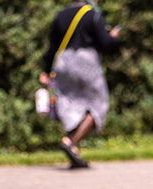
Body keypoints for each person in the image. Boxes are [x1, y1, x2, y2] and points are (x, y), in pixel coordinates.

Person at [40, 0, 120, 169]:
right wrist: (113, 36)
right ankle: (71, 141)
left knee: (71, 104)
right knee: (99, 105)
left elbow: (52, 46)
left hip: (63, 63)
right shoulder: (92, 14)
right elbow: (105, 44)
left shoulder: (60, 15)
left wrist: (46, 71)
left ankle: (72, 149)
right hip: (86, 61)